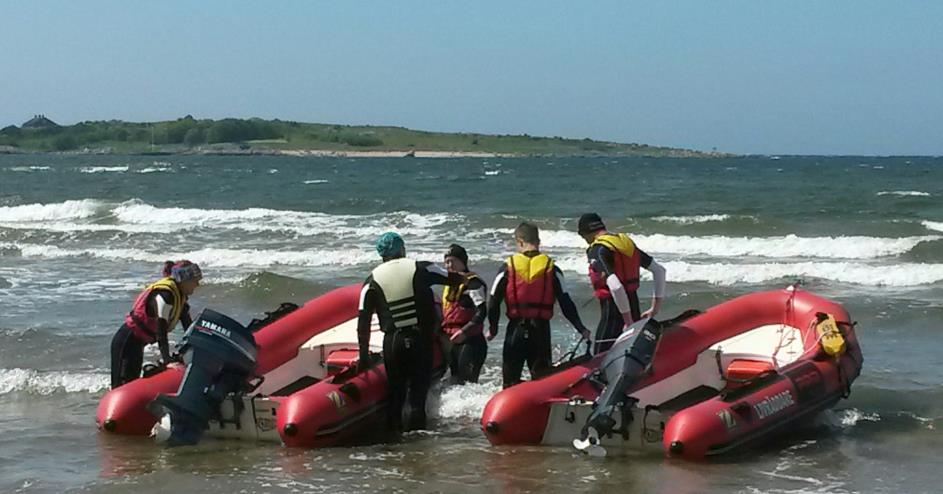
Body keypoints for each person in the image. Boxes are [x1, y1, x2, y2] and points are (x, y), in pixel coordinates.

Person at [356, 232, 464, 432]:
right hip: (419, 340)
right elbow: (452, 279)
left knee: (396, 396)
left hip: (392, 343)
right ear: (402, 249)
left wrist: (363, 357)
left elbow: (363, 322)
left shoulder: (371, 281)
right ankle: (417, 449)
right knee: (417, 397)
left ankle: (394, 445)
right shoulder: (420, 267)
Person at [487, 222, 591, 389]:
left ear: (519, 241)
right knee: (542, 381)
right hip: (540, 331)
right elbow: (566, 303)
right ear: (538, 241)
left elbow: (493, 302)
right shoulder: (552, 268)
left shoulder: (507, 267)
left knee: (510, 383)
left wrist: (493, 329)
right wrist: (581, 329)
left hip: (515, 331)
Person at [577, 213, 666, 354]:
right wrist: (655, 308)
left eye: (583, 236)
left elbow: (616, 287)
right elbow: (659, 270)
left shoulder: (598, 249)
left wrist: (628, 322)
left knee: (600, 357)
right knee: (633, 354)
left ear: (586, 232)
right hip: (634, 308)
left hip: (614, 316)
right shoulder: (625, 243)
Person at [111, 260, 202, 388]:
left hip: (138, 343)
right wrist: (167, 361)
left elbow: (189, 328)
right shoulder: (165, 295)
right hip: (127, 341)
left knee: (132, 381)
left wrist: (196, 352)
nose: (197, 284)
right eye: (194, 280)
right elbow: (161, 330)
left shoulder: (180, 298)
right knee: (120, 385)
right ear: (183, 279)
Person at [440, 244, 488, 384]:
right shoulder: (449, 285)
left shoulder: (474, 283)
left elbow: (482, 311)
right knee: (454, 382)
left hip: (471, 342)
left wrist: (464, 332)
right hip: (453, 341)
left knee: (465, 384)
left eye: (452, 261)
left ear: (463, 262)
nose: (449, 265)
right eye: (446, 262)